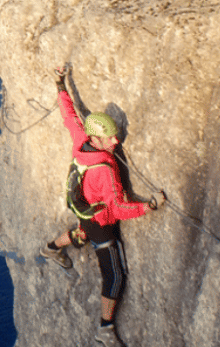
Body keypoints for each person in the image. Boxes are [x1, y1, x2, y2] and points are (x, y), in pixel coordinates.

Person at [39, 65, 165, 347]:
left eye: (115, 135)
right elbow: (118, 209)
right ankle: (104, 329)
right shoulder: (104, 171)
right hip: (101, 223)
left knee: (81, 233)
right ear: (96, 139)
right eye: (110, 138)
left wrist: (60, 84)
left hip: (84, 211)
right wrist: (150, 206)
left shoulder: (81, 140)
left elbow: (69, 116)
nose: (116, 141)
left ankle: (51, 248)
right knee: (115, 275)